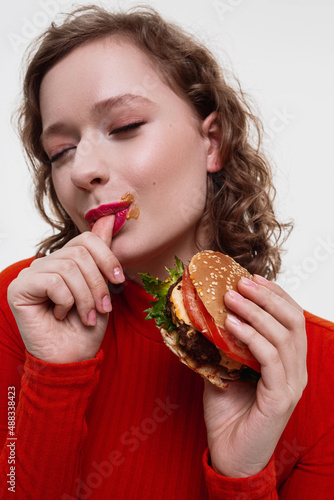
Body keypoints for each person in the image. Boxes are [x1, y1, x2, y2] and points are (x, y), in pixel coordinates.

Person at [0, 5, 333, 499]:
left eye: (126, 125)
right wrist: (55, 374)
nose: (82, 170)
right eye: (61, 151)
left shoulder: (320, 368)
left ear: (211, 141)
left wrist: (241, 475)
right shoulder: (19, 308)